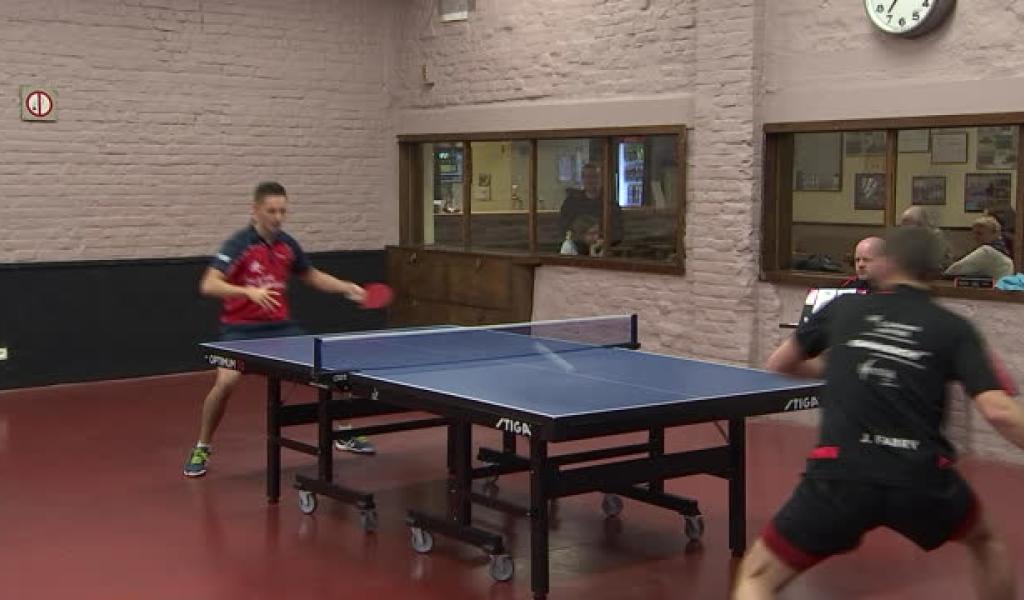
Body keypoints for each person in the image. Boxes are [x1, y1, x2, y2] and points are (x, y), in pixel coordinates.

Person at [733, 227, 1024, 600]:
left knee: (757, 576)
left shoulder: (842, 309)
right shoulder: (954, 329)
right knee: (986, 541)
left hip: (841, 474)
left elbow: (780, 363)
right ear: (934, 270)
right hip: (919, 477)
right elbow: (999, 412)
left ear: (887, 263)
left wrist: (845, 363)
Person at [184, 182, 373, 478]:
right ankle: (202, 446)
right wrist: (248, 292)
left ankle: (344, 432)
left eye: (283, 211)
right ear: (255, 210)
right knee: (226, 382)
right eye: (271, 211)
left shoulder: (287, 244)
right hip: (240, 330)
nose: (278, 217)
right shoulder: (239, 244)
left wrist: (346, 288)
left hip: (281, 328)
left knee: (331, 368)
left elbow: (311, 275)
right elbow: (208, 284)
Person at [557, 162, 623, 251]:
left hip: (604, 248)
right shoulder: (571, 203)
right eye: (587, 177)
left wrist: (603, 242)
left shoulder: (610, 204)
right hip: (577, 248)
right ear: (582, 179)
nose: (590, 181)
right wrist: (581, 240)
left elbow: (618, 233)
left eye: (594, 177)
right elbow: (563, 227)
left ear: (601, 179)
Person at [944, 216, 1014, 281]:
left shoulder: (987, 251)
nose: (975, 237)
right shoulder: (1002, 249)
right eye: (974, 233)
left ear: (995, 233)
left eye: (979, 233)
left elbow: (952, 270)